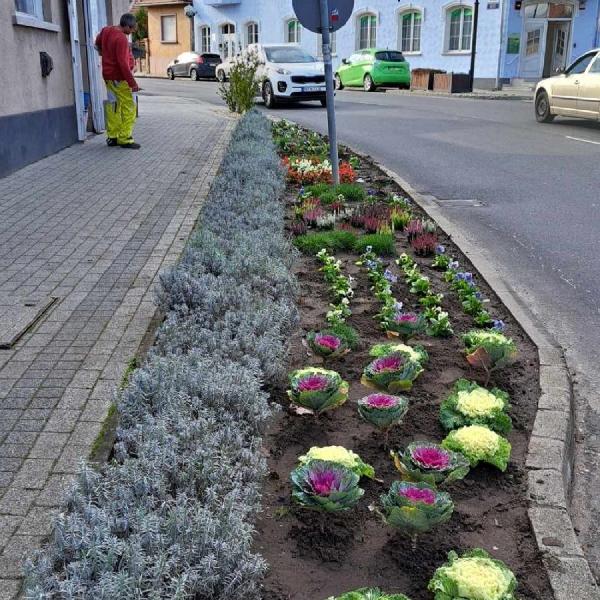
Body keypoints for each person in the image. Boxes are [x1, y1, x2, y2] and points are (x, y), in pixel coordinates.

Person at [95, 14, 140, 149]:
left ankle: (112, 137)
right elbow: (123, 63)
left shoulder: (106, 30)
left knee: (113, 105)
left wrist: (105, 54)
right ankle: (125, 138)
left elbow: (97, 44)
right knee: (129, 106)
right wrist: (132, 83)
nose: (131, 32)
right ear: (126, 26)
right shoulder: (121, 39)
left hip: (108, 76)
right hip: (119, 79)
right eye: (131, 29)